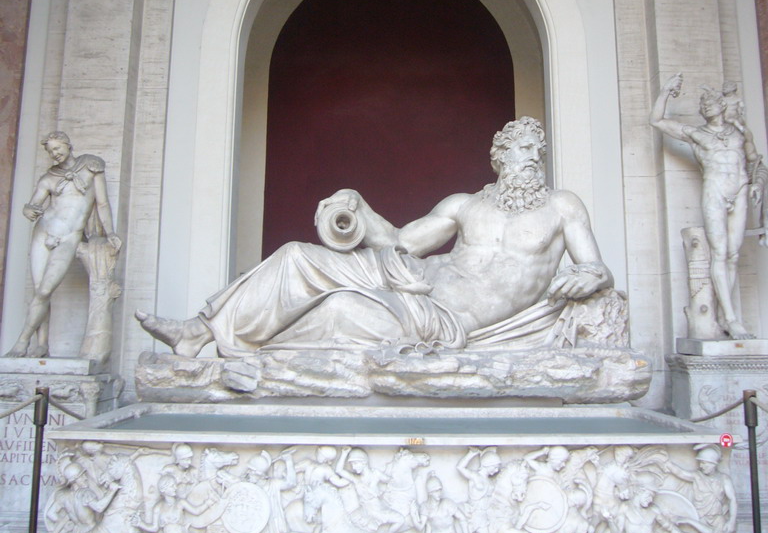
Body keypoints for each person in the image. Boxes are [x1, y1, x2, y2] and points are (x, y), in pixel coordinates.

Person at [136, 117, 614, 357]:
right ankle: (197, 332)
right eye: (524, 149)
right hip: (414, 277)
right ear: (500, 156)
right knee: (295, 257)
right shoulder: (465, 205)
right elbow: (400, 242)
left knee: (341, 309)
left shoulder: (562, 205)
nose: (533, 157)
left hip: (441, 317)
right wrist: (358, 207)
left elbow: (597, 268)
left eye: (539, 151)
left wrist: (588, 278)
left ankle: (241, 352)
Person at [650, 74, 764, 337]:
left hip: (741, 189)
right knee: (720, 253)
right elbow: (656, 121)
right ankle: (732, 319)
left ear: (723, 105)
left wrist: (757, 183)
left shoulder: (739, 133)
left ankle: (725, 315)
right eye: (703, 103)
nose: (707, 105)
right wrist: (666, 91)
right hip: (715, 189)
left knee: (733, 255)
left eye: (711, 101)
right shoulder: (697, 134)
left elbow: (756, 162)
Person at [6, 131, 121, 358]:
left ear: (69, 146)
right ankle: (42, 344)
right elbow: (34, 204)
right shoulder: (49, 177)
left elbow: (102, 203)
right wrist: (28, 210)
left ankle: (21, 341)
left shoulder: (91, 167)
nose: (54, 154)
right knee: (40, 291)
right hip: (43, 233)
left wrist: (111, 232)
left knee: (44, 291)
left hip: (69, 237)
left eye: (57, 149)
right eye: (50, 151)